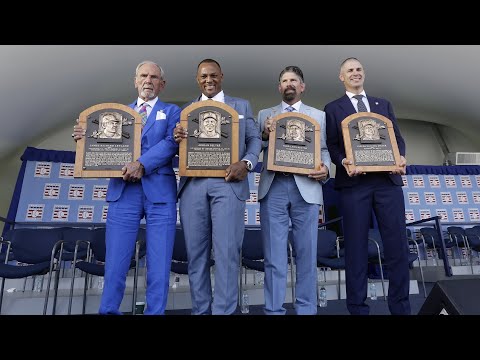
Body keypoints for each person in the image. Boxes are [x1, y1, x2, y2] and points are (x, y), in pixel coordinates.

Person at [73, 60, 180, 315]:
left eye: (154, 77)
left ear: (161, 84)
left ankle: (155, 312)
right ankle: (108, 311)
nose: (148, 81)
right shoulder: (116, 115)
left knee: (159, 262)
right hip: (123, 191)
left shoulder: (173, 111)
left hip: (160, 192)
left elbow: (171, 143)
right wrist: (84, 136)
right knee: (116, 262)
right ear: (135, 81)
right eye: (143, 76)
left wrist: (141, 164)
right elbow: (101, 146)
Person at [173, 58, 262, 315]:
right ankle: (201, 310)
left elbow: (254, 139)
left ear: (221, 76)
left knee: (226, 254)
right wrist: (176, 137)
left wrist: (246, 163)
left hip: (228, 183)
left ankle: (223, 311)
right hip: (193, 187)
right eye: (203, 76)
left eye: (213, 75)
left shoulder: (241, 105)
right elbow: (178, 147)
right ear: (197, 79)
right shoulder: (187, 110)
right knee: (196, 255)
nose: (208, 80)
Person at [324, 57, 410, 315]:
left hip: (387, 182)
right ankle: (358, 309)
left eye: (359, 69)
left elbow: (397, 139)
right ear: (342, 77)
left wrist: (401, 157)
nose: (355, 73)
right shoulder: (333, 108)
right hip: (354, 184)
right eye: (349, 70)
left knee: (397, 248)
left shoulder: (382, 104)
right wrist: (343, 161)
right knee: (356, 249)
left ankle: (401, 308)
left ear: (364, 74)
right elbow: (332, 145)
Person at [258, 65, 331, 315]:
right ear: (279, 87)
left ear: (302, 86)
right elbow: (253, 146)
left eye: (294, 80)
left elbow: (324, 151)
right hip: (274, 188)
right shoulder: (264, 115)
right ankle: (273, 310)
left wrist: (327, 169)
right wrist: (265, 134)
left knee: (307, 255)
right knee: (274, 258)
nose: (289, 83)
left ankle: (306, 310)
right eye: (285, 80)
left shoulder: (318, 115)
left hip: (307, 189)